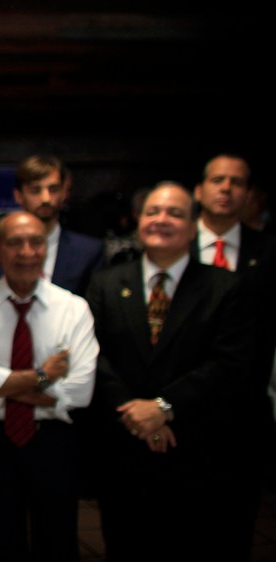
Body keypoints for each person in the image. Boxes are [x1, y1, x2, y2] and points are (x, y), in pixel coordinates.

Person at [84, 183, 251, 560]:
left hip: (194, 448)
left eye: (175, 213)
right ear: (139, 222)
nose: (161, 220)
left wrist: (162, 407)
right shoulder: (107, 282)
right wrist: (132, 409)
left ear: (194, 227)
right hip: (123, 447)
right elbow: (92, 353)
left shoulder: (225, 287)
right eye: (152, 212)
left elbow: (228, 364)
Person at [0, 211, 97, 561]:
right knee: (2, 537)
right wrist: (43, 376)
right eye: (14, 243)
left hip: (54, 441)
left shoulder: (73, 308)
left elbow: (80, 392)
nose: (27, 251)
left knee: (59, 537)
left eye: (36, 242)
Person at [191, 154, 276, 555]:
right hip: (179, 410)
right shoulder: (172, 244)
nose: (226, 188)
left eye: (237, 182)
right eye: (218, 180)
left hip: (243, 414)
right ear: (199, 190)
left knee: (234, 526)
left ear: (249, 195)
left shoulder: (270, 252)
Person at [0, 155, 105, 295]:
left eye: (53, 189)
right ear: (18, 196)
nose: (46, 198)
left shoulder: (88, 252)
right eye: (35, 190)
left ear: (64, 193)